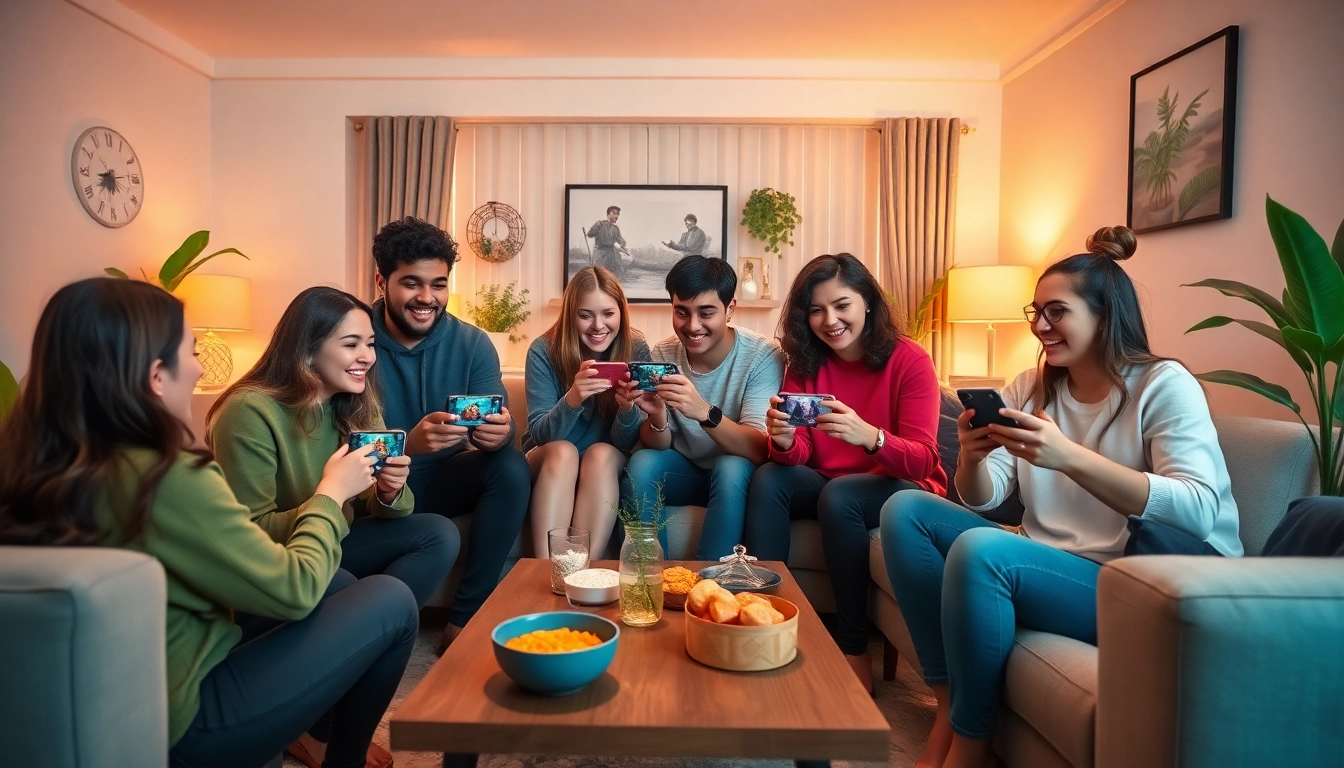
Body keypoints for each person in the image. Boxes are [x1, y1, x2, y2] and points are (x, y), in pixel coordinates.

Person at [0, 278, 416, 768]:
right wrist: (331, 493)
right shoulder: (163, 475)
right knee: (391, 601)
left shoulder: (36, 465)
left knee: (346, 580)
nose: (199, 368)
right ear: (156, 375)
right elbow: (295, 586)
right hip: (183, 715)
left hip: (97, 704)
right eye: (190, 352)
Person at [880, 226, 1241, 768]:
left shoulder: (1163, 385)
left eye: (1057, 312)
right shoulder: (1031, 384)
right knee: (904, 510)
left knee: (983, 552)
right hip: (1051, 560)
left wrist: (1068, 456)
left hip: (1138, 579)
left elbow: (1197, 508)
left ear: (1104, 315)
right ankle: (947, 702)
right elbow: (985, 497)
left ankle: (970, 747)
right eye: (1036, 311)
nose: (1039, 326)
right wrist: (975, 458)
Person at [208, 286, 458, 767]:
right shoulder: (249, 412)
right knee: (344, 585)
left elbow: (390, 512)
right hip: (268, 570)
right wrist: (332, 491)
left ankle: (341, 684)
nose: (366, 356)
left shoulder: (356, 402)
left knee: (437, 534)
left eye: (369, 343)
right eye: (351, 344)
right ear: (306, 346)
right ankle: (325, 726)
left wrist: (388, 491)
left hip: (328, 541)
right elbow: (250, 534)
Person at [742, 253, 946, 693]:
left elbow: (925, 460)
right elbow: (800, 452)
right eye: (816, 310)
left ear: (868, 302)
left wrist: (869, 436)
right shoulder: (806, 363)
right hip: (832, 482)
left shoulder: (910, 359)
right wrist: (781, 441)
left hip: (899, 485)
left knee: (842, 496)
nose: (829, 320)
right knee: (770, 479)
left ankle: (853, 648)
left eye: (842, 305)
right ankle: (763, 622)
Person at [369, 217, 531, 652]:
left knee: (511, 467)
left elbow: (500, 423)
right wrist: (410, 444)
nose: (427, 298)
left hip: (442, 479)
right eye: (412, 284)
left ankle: (465, 619)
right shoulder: (353, 337)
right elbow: (337, 439)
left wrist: (499, 434)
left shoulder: (473, 343)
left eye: (438, 284)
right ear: (381, 281)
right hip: (369, 489)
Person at [620, 255, 785, 558]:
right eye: (681, 312)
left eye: (706, 313)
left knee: (731, 465)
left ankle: (712, 587)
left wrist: (703, 412)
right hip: (684, 471)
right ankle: (648, 580)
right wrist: (657, 416)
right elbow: (658, 443)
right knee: (642, 463)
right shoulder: (664, 353)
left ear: (730, 308)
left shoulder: (763, 356)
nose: (692, 326)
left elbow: (760, 449)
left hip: (735, 476)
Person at [522, 266, 650, 558]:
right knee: (564, 452)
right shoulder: (543, 350)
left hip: (603, 459)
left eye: (608, 313)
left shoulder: (636, 348)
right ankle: (546, 572)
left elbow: (626, 443)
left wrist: (627, 408)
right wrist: (573, 398)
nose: (597, 325)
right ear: (571, 315)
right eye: (585, 315)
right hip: (549, 455)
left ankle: (582, 573)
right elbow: (542, 434)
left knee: (601, 453)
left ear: (621, 313)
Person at [585, 205, 629, 277]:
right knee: (600, 274)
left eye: (618, 214)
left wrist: (623, 245)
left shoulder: (616, 228)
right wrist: (593, 231)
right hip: (601, 252)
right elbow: (590, 234)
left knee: (617, 272)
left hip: (612, 253)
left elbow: (620, 240)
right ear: (608, 214)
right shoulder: (600, 224)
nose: (616, 216)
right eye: (614, 213)